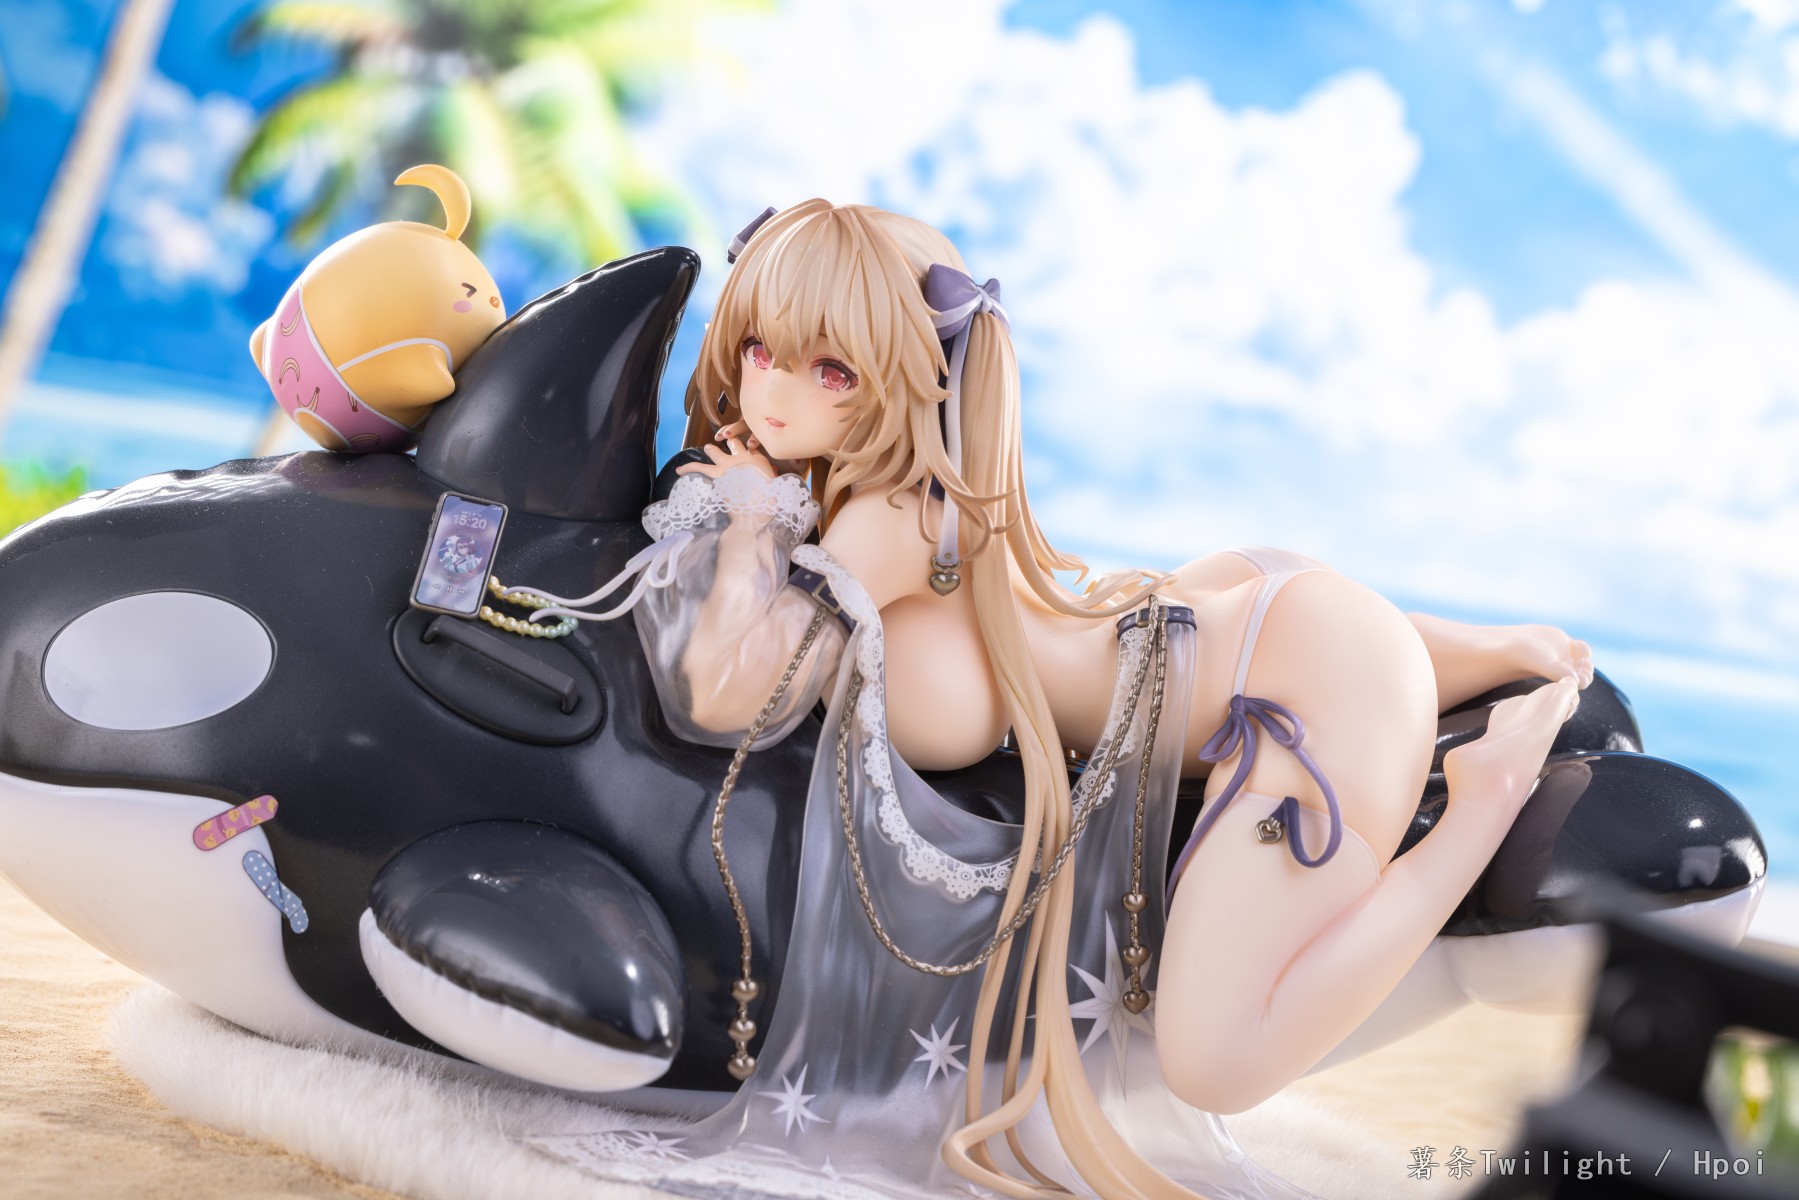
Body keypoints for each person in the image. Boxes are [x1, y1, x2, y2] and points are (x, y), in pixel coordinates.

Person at [519, 200, 1593, 1200]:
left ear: (908, 376)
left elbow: (726, 693)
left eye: (829, 370)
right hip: (1227, 616)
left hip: (1298, 687)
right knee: (1206, 628)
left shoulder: (892, 520)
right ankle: (1469, 653)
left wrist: (748, 520)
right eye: (759, 350)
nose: (772, 394)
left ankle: (1486, 794)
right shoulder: (866, 495)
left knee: (1214, 1063)